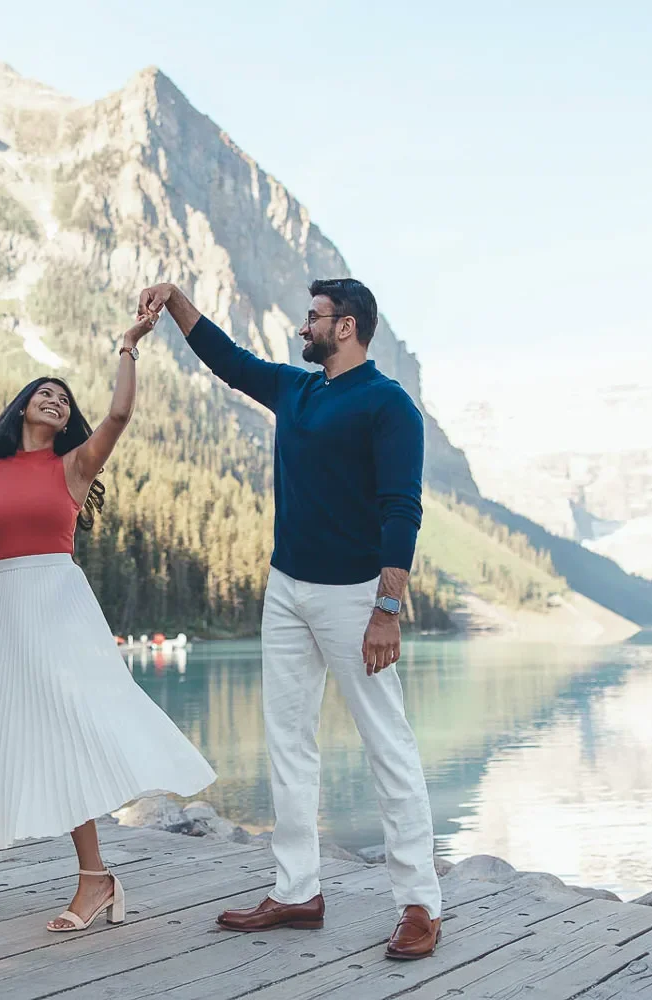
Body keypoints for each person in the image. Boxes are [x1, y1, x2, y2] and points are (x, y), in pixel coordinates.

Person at [0, 308, 215, 933]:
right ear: (22, 408)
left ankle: (94, 880)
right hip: (8, 601)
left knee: (68, 729)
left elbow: (118, 415)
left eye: (64, 397)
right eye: (45, 393)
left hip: (61, 602)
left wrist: (127, 348)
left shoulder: (75, 466)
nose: (56, 400)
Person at [138, 278, 443, 960]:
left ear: (347, 328)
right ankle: (298, 890)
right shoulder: (296, 391)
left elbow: (402, 510)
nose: (303, 328)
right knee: (288, 740)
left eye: (314, 319)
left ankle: (419, 903)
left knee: (387, 744)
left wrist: (386, 611)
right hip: (286, 591)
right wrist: (179, 301)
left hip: (355, 597)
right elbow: (231, 360)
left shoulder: (388, 405)